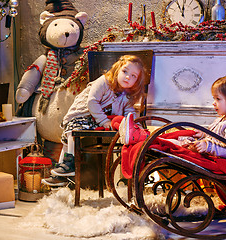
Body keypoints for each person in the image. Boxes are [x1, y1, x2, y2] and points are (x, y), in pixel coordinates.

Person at [42, 55, 148, 186]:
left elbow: (130, 114)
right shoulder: (104, 81)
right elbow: (92, 101)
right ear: (117, 70)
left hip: (97, 121)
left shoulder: (128, 96)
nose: (127, 77)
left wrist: (131, 124)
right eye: (125, 71)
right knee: (72, 132)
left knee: (70, 138)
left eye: (133, 76)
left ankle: (63, 171)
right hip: (83, 113)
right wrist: (103, 121)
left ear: (137, 81)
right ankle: (68, 164)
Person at [120, 74, 226, 159]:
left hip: (203, 155)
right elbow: (214, 136)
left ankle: (137, 136)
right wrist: (202, 135)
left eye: (218, 99)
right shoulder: (222, 119)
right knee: (169, 137)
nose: (213, 103)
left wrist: (208, 147)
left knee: (168, 143)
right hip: (196, 147)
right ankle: (138, 135)